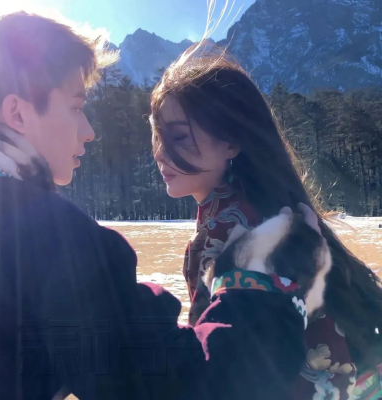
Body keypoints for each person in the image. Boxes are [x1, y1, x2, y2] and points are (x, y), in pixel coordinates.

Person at [0, 13, 314, 400]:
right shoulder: (51, 240)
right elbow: (188, 383)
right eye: (75, 107)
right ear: (17, 113)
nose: (89, 131)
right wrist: (267, 283)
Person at [150, 45, 382, 399]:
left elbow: (214, 362)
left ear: (231, 142)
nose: (160, 152)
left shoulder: (227, 232)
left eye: (178, 136)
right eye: (157, 134)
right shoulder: (267, 209)